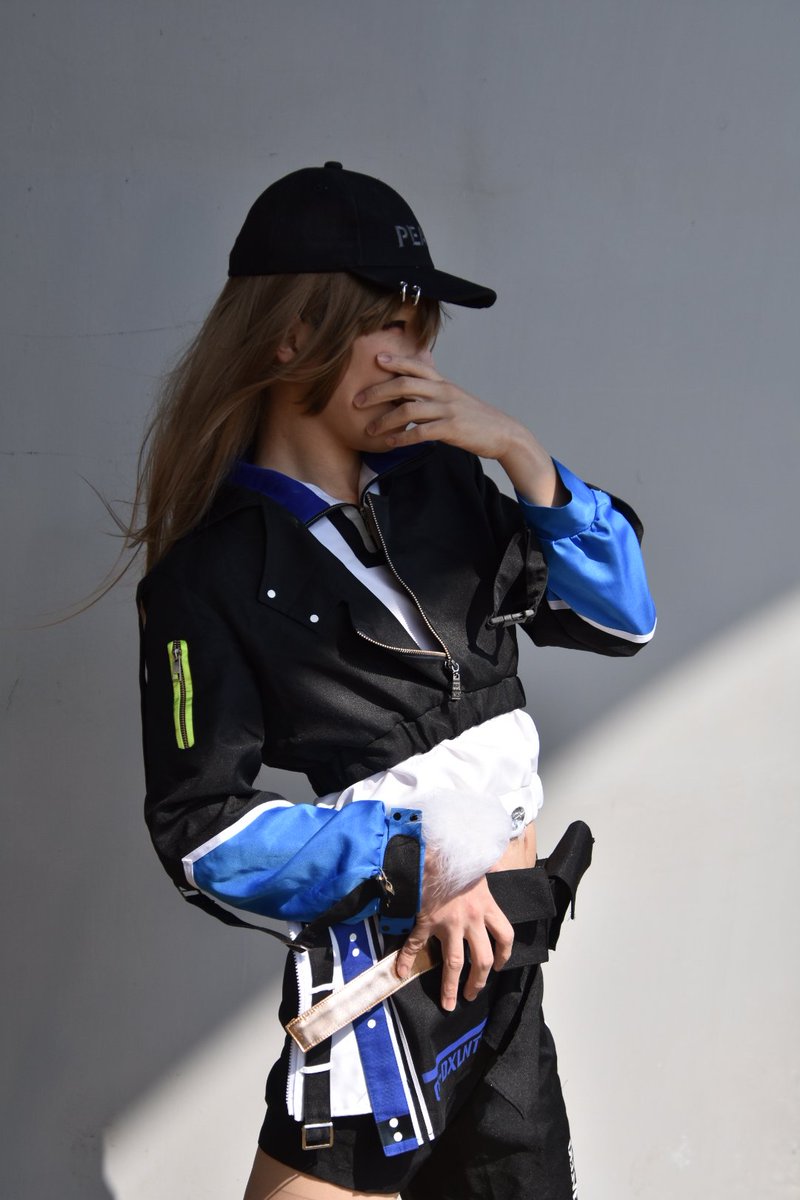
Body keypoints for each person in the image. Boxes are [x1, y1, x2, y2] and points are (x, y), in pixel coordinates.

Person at [134, 161, 656, 1200]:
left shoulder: (448, 487)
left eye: (423, 333)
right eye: (392, 327)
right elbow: (199, 832)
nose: (418, 363)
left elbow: (621, 618)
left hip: (509, 967)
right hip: (388, 982)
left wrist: (519, 454)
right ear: (292, 338)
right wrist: (419, 857)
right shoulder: (209, 574)